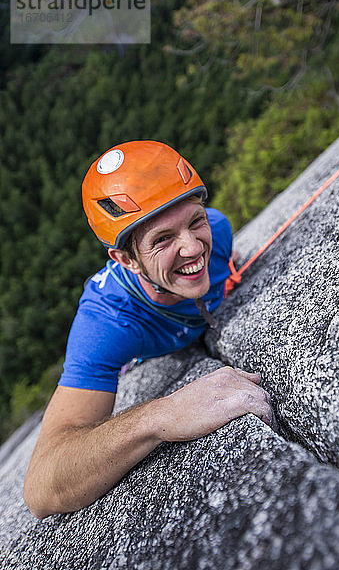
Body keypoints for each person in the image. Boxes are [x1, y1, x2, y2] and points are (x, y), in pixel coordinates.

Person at [23, 141, 275, 519]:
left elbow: (210, 247)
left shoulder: (218, 231)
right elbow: (42, 486)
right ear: (126, 259)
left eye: (195, 221)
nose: (192, 248)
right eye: (162, 240)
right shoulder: (107, 323)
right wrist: (161, 416)